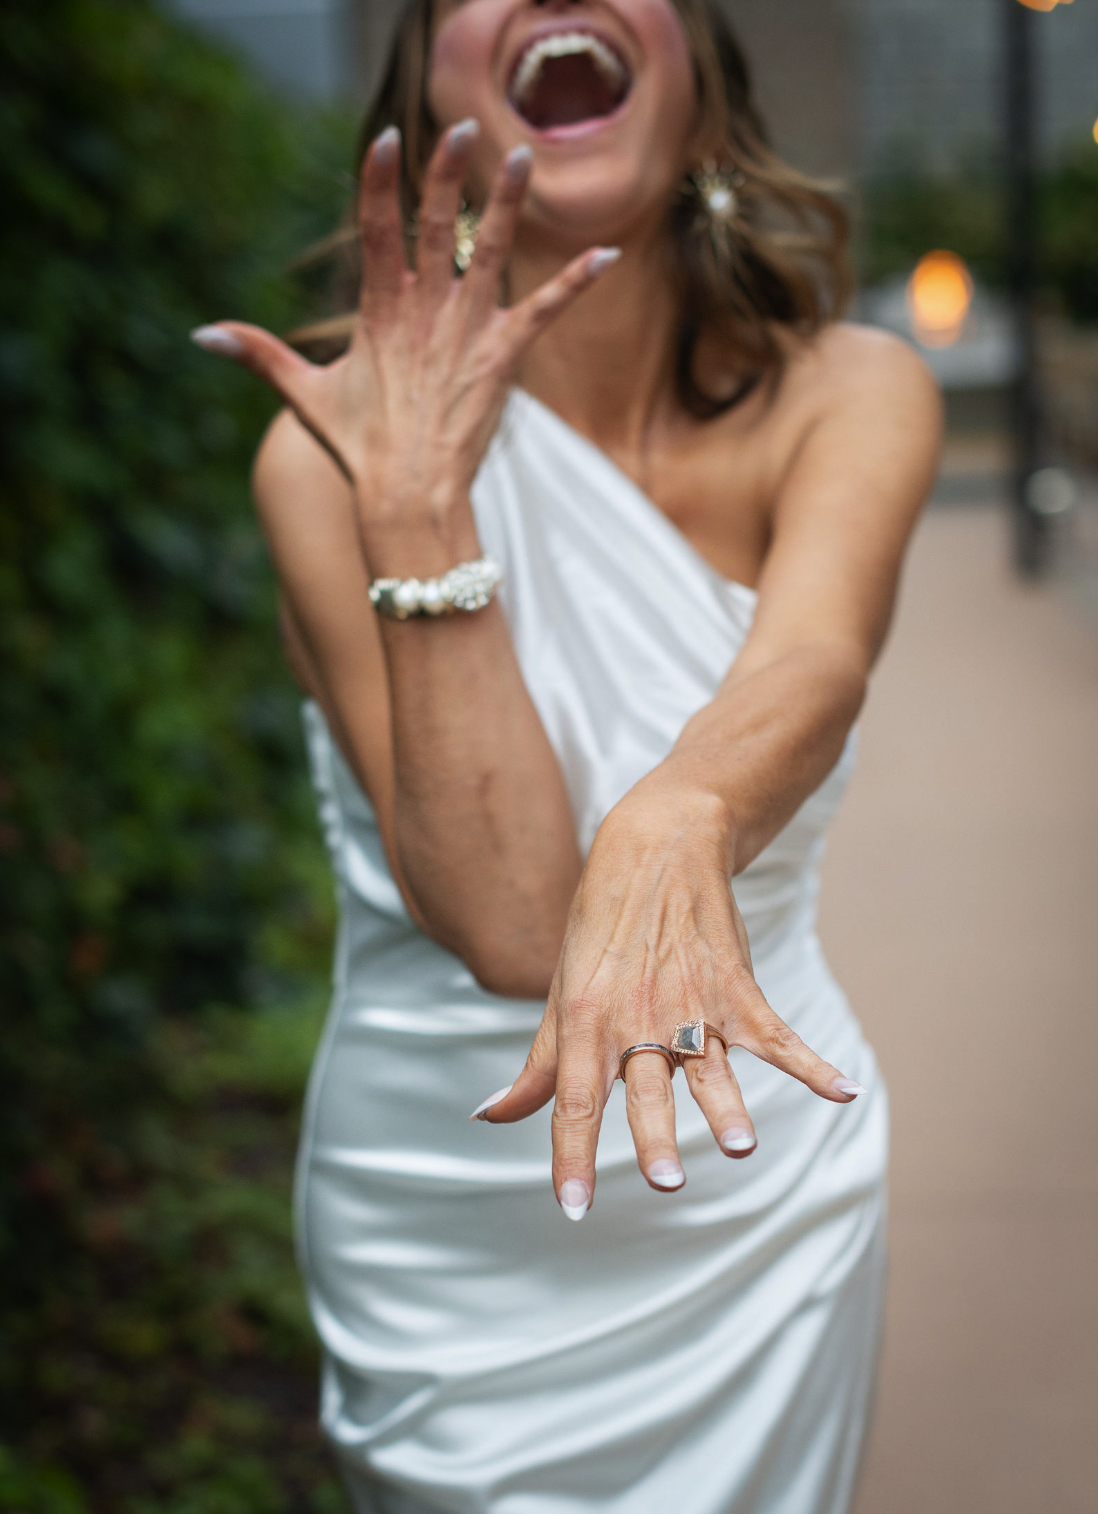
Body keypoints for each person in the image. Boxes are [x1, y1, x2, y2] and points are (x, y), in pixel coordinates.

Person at [191, 0, 941, 1508]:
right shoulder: (320, 453)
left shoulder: (848, 391)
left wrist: (678, 808)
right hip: (448, 1231)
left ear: (704, 88)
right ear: (422, 92)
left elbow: (812, 659)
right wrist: (414, 500)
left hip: (755, 1196)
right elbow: (521, 923)